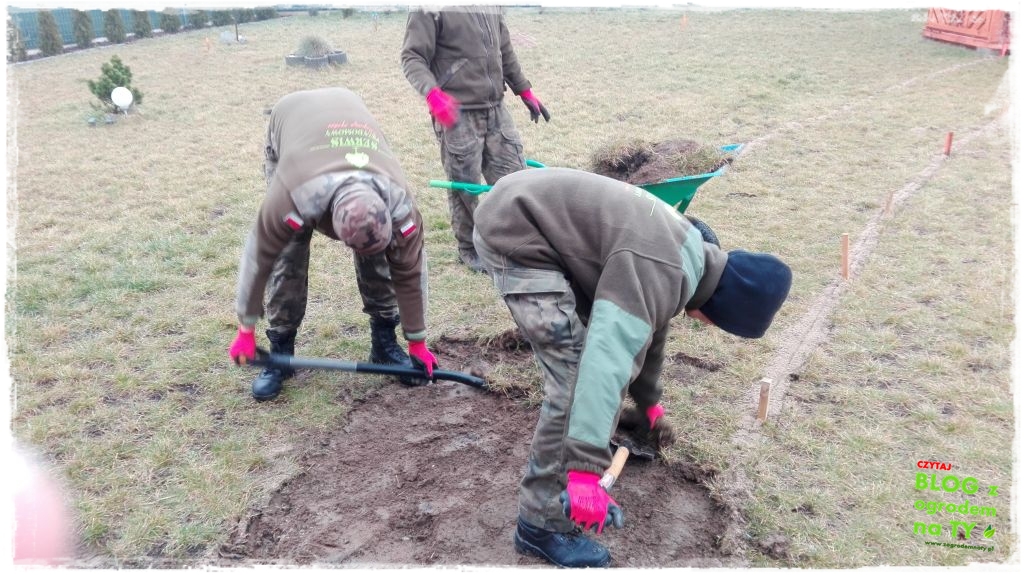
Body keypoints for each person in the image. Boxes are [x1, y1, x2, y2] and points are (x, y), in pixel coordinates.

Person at [472, 168, 793, 567]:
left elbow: (648, 327)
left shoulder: (688, 254)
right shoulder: (660, 266)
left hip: (532, 212)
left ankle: (596, 437)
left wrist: (648, 407)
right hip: (516, 233)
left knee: (594, 361)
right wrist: (586, 471)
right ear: (722, 311)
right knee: (574, 376)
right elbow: (608, 355)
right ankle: (541, 525)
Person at [229, 87, 438, 400]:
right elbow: (259, 259)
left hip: (349, 112)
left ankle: (383, 343)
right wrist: (246, 329)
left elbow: (409, 272)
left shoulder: (400, 204)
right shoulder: (293, 195)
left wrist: (417, 341)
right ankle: (280, 353)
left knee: (379, 260)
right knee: (288, 257)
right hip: (293, 124)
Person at [401, 4, 550, 273]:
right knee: (465, 186)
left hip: (496, 109)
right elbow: (412, 57)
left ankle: (516, 240)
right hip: (456, 114)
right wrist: (433, 95)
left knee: (514, 178)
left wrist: (524, 90)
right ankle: (469, 248)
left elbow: (503, 47)